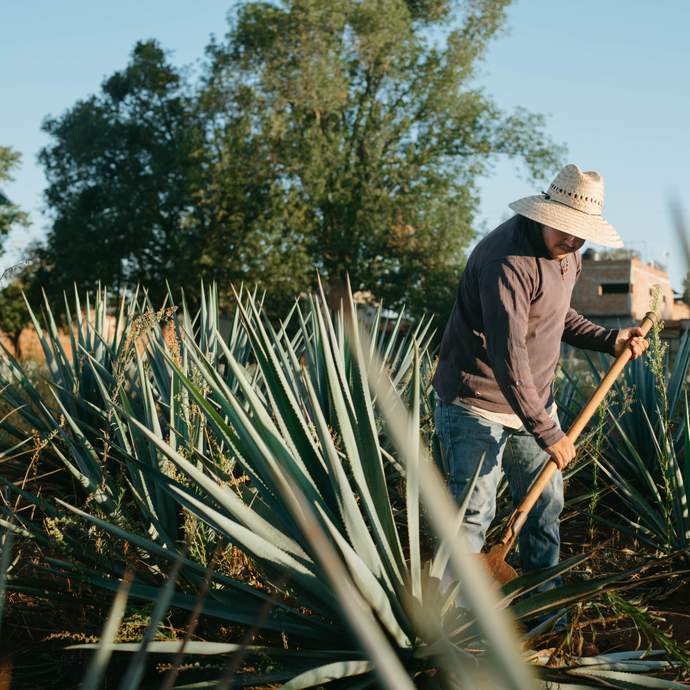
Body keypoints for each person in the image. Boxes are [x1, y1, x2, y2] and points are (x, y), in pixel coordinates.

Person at [433, 164, 648, 621]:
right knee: (472, 515)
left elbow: (557, 316)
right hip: (476, 402)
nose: (575, 242)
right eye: (568, 231)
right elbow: (509, 355)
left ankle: (544, 609)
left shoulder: (566, 253)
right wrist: (548, 430)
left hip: (532, 405)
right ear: (545, 213)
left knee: (545, 508)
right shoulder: (505, 262)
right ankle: (455, 626)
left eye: (582, 235)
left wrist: (609, 339)